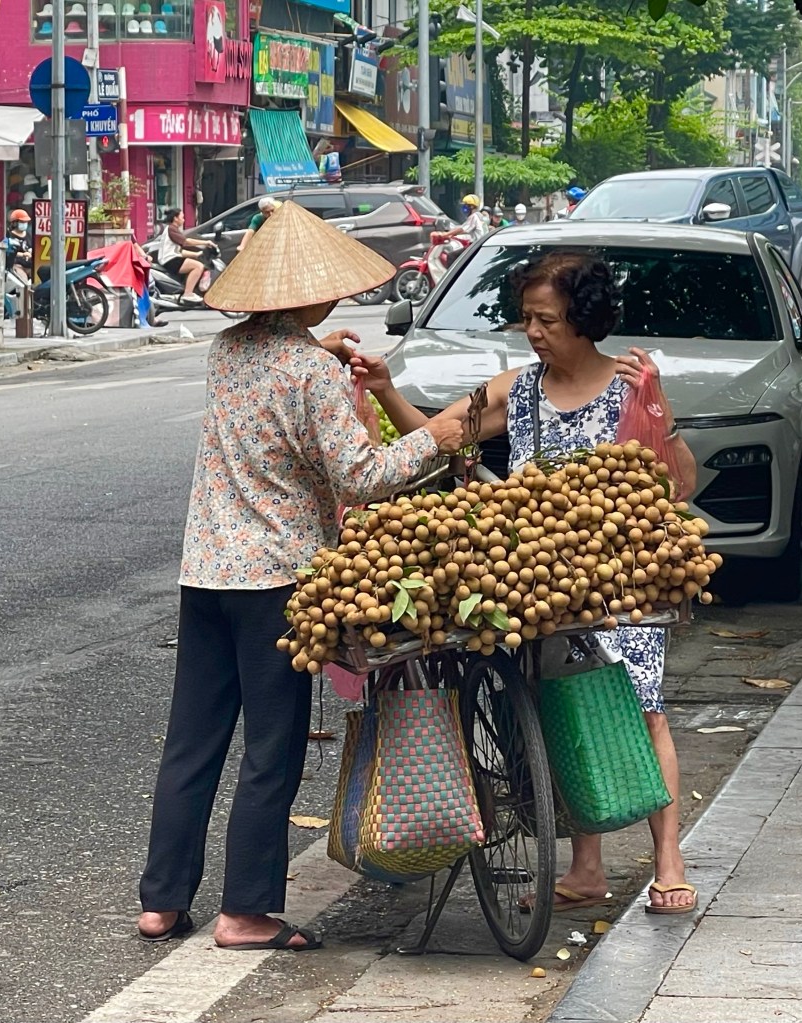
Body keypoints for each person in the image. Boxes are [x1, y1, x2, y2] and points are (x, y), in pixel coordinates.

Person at [136, 201, 464, 952]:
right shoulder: (312, 373)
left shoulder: (225, 351)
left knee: (194, 738)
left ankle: (161, 899)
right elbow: (361, 475)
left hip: (206, 572)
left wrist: (320, 350)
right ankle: (246, 909)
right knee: (272, 744)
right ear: (314, 294)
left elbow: (276, 373)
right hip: (278, 581)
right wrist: (437, 437)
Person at [354, 252, 700, 915]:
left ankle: (668, 860)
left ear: (585, 319)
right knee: (553, 711)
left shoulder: (632, 384)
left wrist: (662, 413)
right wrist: (384, 387)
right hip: (533, 579)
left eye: (547, 319)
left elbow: (679, 485)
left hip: (615, 580)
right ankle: (586, 866)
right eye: (529, 319)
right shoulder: (517, 389)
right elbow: (441, 437)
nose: (534, 331)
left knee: (643, 708)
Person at [156, 208, 216, 305]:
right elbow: (186, 242)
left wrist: (196, 254)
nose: (183, 220)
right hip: (170, 260)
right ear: (175, 218)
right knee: (198, 266)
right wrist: (205, 243)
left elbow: (180, 251)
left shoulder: (172, 229)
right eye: (182, 217)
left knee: (197, 264)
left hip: (171, 259)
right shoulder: (172, 229)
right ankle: (188, 294)